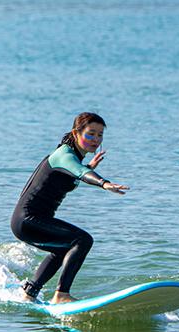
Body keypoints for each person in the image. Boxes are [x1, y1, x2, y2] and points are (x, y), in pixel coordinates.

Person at [10, 112, 129, 304]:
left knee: (63, 248)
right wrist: (103, 183)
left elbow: (73, 178)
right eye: (90, 134)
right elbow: (81, 172)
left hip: (29, 221)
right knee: (82, 240)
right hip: (28, 220)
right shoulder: (64, 155)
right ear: (76, 133)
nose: (96, 139)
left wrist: (88, 166)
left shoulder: (71, 158)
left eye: (100, 135)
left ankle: (29, 292)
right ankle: (61, 294)